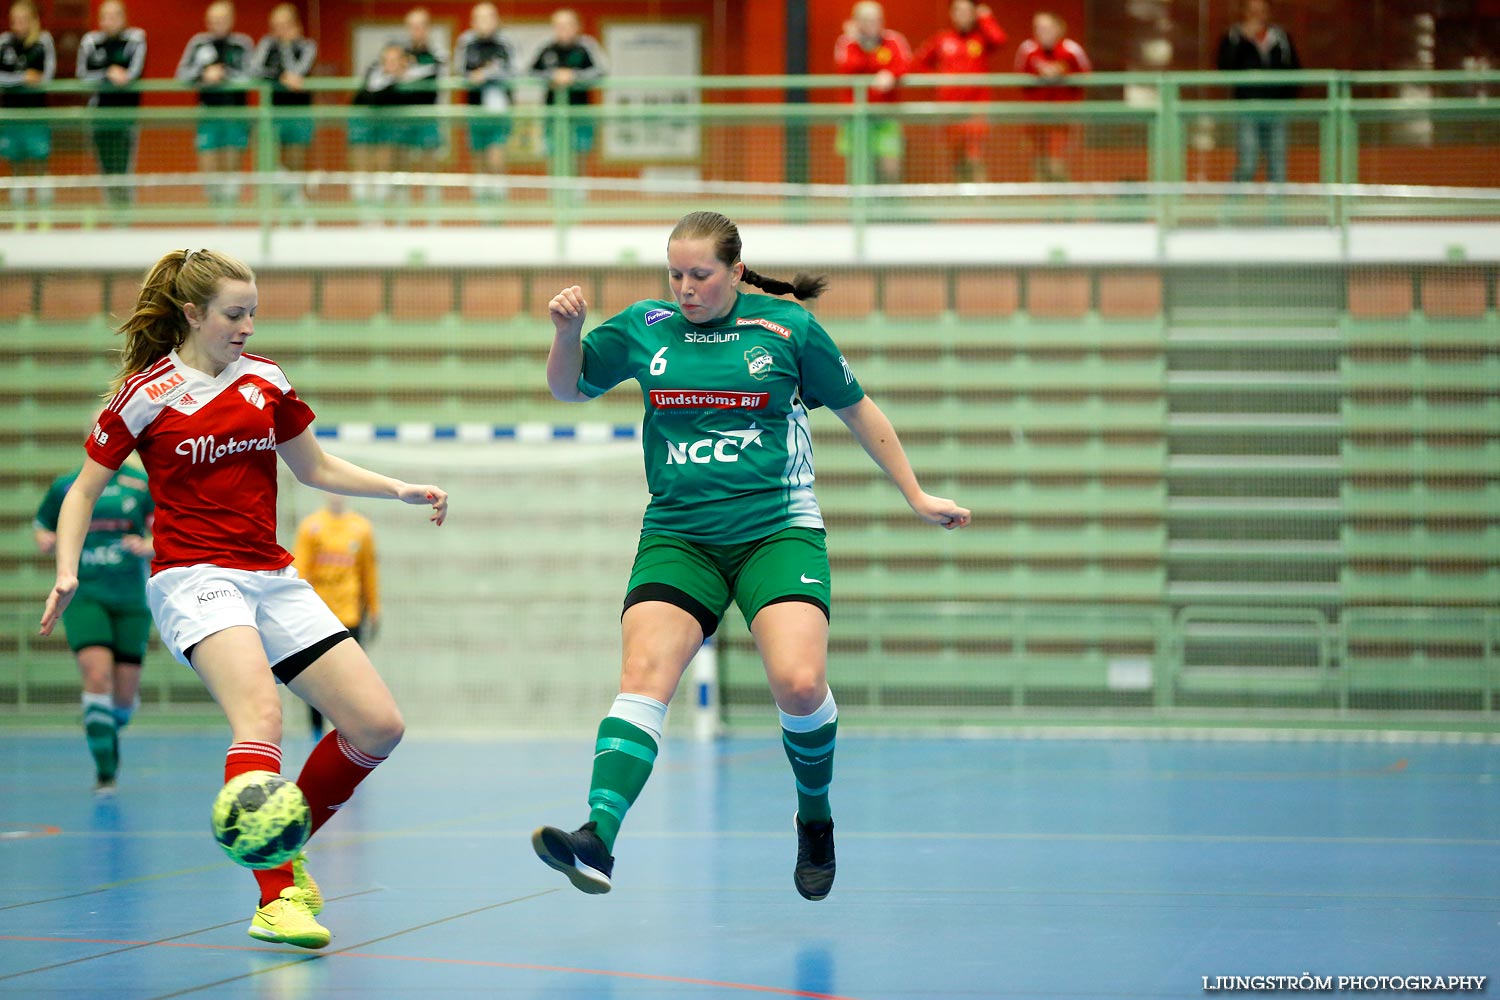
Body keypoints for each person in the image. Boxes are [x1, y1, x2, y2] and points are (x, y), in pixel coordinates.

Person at [532, 211, 971, 901]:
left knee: (798, 683)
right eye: (675, 273)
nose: (685, 288)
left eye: (700, 275)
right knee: (644, 675)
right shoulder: (646, 328)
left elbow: (861, 410)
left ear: (736, 271)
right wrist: (566, 334)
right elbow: (568, 385)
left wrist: (915, 494)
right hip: (680, 536)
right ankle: (599, 837)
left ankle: (815, 817)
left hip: (777, 531)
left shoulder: (787, 332)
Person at [40, 248, 448, 949]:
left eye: (254, 312)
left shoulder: (266, 381)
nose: (248, 326)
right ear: (192, 314)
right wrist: (68, 568)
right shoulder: (148, 393)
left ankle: (282, 845)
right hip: (194, 578)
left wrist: (397, 488)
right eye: (234, 313)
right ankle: (275, 896)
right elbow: (83, 490)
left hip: (272, 574)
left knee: (377, 725)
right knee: (262, 714)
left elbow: (314, 465)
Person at [34, 451, 154, 793]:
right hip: (85, 594)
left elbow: (167, 533)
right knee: (97, 676)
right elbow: (42, 524)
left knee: (123, 701)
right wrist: (45, 538)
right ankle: (106, 771)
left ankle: (100, 720)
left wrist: (148, 545)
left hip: (131, 598)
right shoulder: (68, 486)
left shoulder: (140, 486)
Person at [292, 493, 381, 739]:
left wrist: (374, 609)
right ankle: (316, 734)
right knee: (316, 678)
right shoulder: (310, 527)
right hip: (318, 614)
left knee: (351, 679)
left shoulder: (360, 528)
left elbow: (368, 571)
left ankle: (349, 732)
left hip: (350, 616)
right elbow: (301, 571)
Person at [912, 0, 1005, 182]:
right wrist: (936, 78)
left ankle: (979, 205)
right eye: (958, 10)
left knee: (974, 157)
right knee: (957, 159)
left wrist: (985, 17)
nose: (962, 15)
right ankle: (961, 205)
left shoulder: (981, 39)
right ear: (952, 14)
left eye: (967, 11)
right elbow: (917, 63)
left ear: (973, 14)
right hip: (950, 110)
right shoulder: (942, 39)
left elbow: (999, 39)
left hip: (976, 110)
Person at [175, 1, 255, 207]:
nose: (218, 23)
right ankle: (215, 210)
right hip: (207, 114)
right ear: (207, 21)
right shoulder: (198, 43)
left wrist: (225, 75)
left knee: (232, 166)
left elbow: (252, 75)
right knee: (209, 166)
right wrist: (204, 74)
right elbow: (181, 75)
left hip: (236, 115)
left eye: (222, 19)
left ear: (231, 20)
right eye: (214, 20)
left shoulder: (242, 43)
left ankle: (229, 214)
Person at [1217, 0, 1300, 183]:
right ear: (1244, 12)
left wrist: (1285, 101)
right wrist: (1243, 41)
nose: (1257, 15)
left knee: (1277, 166)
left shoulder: (1281, 38)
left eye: (1261, 11)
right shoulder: (1233, 37)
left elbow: (1294, 71)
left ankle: (1277, 212)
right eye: (1252, 11)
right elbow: (1225, 68)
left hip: (1277, 111)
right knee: (1248, 163)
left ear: (1268, 13)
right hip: (1247, 109)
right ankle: (1232, 209)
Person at [76, 0, 146, 209]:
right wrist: (107, 73)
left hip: (127, 116)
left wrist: (122, 76)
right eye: (106, 16)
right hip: (99, 116)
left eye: (115, 15)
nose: (111, 20)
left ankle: (126, 213)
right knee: (106, 168)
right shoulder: (90, 41)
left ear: (124, 17)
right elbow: (82, 75)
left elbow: (133, 74)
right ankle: (112, 212)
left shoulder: (136, 38)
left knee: (124, 167)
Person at [832, 1, 912, 185]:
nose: (872, 24)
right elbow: (848, 67)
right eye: (866, 20)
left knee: (890, 169)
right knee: (858, 170)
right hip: (855, 117)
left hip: (886, 116)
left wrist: (891, 73)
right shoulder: (846, 42)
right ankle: (859, 213)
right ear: (856, 21)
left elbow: (906, 64)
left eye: (876, 19)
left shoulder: (894, 40)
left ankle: (888, 212)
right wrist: (862, 46)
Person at [529, 8, 607, 182]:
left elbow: (601, 70)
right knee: (553, 153)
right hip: (553, 112)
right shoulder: (547, 48)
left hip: (580, 111)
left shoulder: (587, 46)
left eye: (567, 25)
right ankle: (557, 192)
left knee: (580, 153)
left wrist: (574, 76)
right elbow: (531, 71)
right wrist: (553, 76)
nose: (562, 29)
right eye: (558, 25)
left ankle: (578, 193)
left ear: (577, 26)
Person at [251, 3, 317, 204]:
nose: (279, 30)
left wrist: (287, 47)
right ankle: (273, 204)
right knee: (268, 160)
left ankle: (297, 204)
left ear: (295, 24)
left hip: (299, 112)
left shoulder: (307, 45)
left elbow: (298, 72)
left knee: (295, 160)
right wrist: (280, 75)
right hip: (272, 112)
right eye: (275, 25)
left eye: (284, 24)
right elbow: (255, 69)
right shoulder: (267, 44)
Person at [453, 1, 518, 203]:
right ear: (473, 22)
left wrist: (488, 74)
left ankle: (498, 205)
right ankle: (482, 206)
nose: (485, 22)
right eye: (480, 18)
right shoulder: (466, 42)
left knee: (496, 157)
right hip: (475, 108)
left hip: (500, 110)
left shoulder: (506, 42)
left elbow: (515, 70)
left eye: (489, 17)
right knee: (478, 157)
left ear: (496, 20)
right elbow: (458, 70)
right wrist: (471, 77)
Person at [1015, 11, 1091, 182]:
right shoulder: (1028, 49)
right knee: (1038, 162)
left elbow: (1087, 76)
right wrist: (1038, 74)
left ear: (1059, 29)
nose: (1042, 32)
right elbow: (1019, 77)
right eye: (1038, 28)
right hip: (1035, 119)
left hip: (1062, 118)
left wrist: (1063, 73)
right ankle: (1041, 204)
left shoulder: (1071, 49)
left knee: (1056, 163)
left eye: (1046, 28)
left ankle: (1063, 203)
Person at [0, 0, 56, 212]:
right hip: (11, 115)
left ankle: (44, 212)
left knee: (40, 161)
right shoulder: (4, 42)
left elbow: (46, 78)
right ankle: (19, 214)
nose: (19, 25)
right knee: (16, 163)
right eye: (15, 20)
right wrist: (23, 77)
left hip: (37, 115)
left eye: (24, 20)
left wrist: (34, 79)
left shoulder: (44, 41)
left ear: (34, 20)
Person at [396, 7, 446, 205]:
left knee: (429, 165)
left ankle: (432, 214)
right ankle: (402, 215)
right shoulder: (400, 53)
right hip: (404, 116)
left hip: (428, 115)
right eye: (412, 27)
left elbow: (433, 70)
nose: (416, 31)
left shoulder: (437, 54)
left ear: (427, 29)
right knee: (401, 163)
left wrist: (406, 73)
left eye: (420, 26)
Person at [348, 43, 408, 205]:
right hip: (364, 123)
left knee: (385, 165)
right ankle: (363, 211)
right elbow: (363, 97)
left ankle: (383, 209)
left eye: (394, 60)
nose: (390, 64)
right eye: (387, 60)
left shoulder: (407, 80)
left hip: (389, 126)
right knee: (362, 167)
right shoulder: (371, 74)